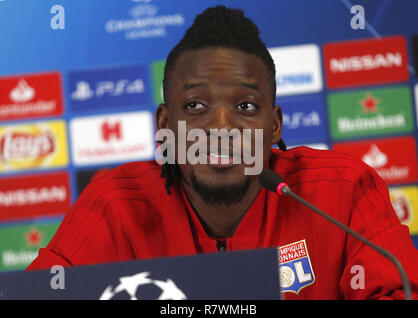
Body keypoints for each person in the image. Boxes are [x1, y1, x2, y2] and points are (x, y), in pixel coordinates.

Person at [27, 5, 418, 300]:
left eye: (246, 106)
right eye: (195, 106)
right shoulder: (115, 205)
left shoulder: (343, 190)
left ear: (275, 125)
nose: (221, 127)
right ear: (165, 126)